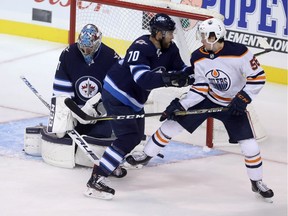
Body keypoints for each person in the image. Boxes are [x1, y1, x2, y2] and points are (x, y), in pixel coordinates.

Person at [126, 18, 274, 201]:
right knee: (171, 125)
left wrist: (242, 98)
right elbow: (201, 87)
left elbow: (258, 78)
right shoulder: (198, 56)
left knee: (250, 146)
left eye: (205, 36)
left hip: (232, 104)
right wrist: (181, 105)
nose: (202, 39)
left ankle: (257, 182)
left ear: (215, 36)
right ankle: (146, 155)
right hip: (208, 99)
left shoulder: (240, 53)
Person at [85, 13, 194, 199]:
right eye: (169, 33)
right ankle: (96, 179)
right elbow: (142, 79)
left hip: (135, 100)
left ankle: (110, 165)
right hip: (116, 93)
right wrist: (169, 79)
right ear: (159, 33)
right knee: (128, 137)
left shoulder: (170, 49)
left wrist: (193, 74)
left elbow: (181, 69)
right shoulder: (140, 47)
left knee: (134, 137)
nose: (172, 37)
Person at [47, 24, 126, 176]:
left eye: (89, 49)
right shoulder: (68, 54)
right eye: (83, 48)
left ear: (98, 43)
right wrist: (70, 111)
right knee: (60, 133)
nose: (86, 52)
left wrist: (96, 106)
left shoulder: (111, 57)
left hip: (99, 112)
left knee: (100, 134)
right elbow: (61, 87)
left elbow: (117, 90)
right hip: (75, 109)